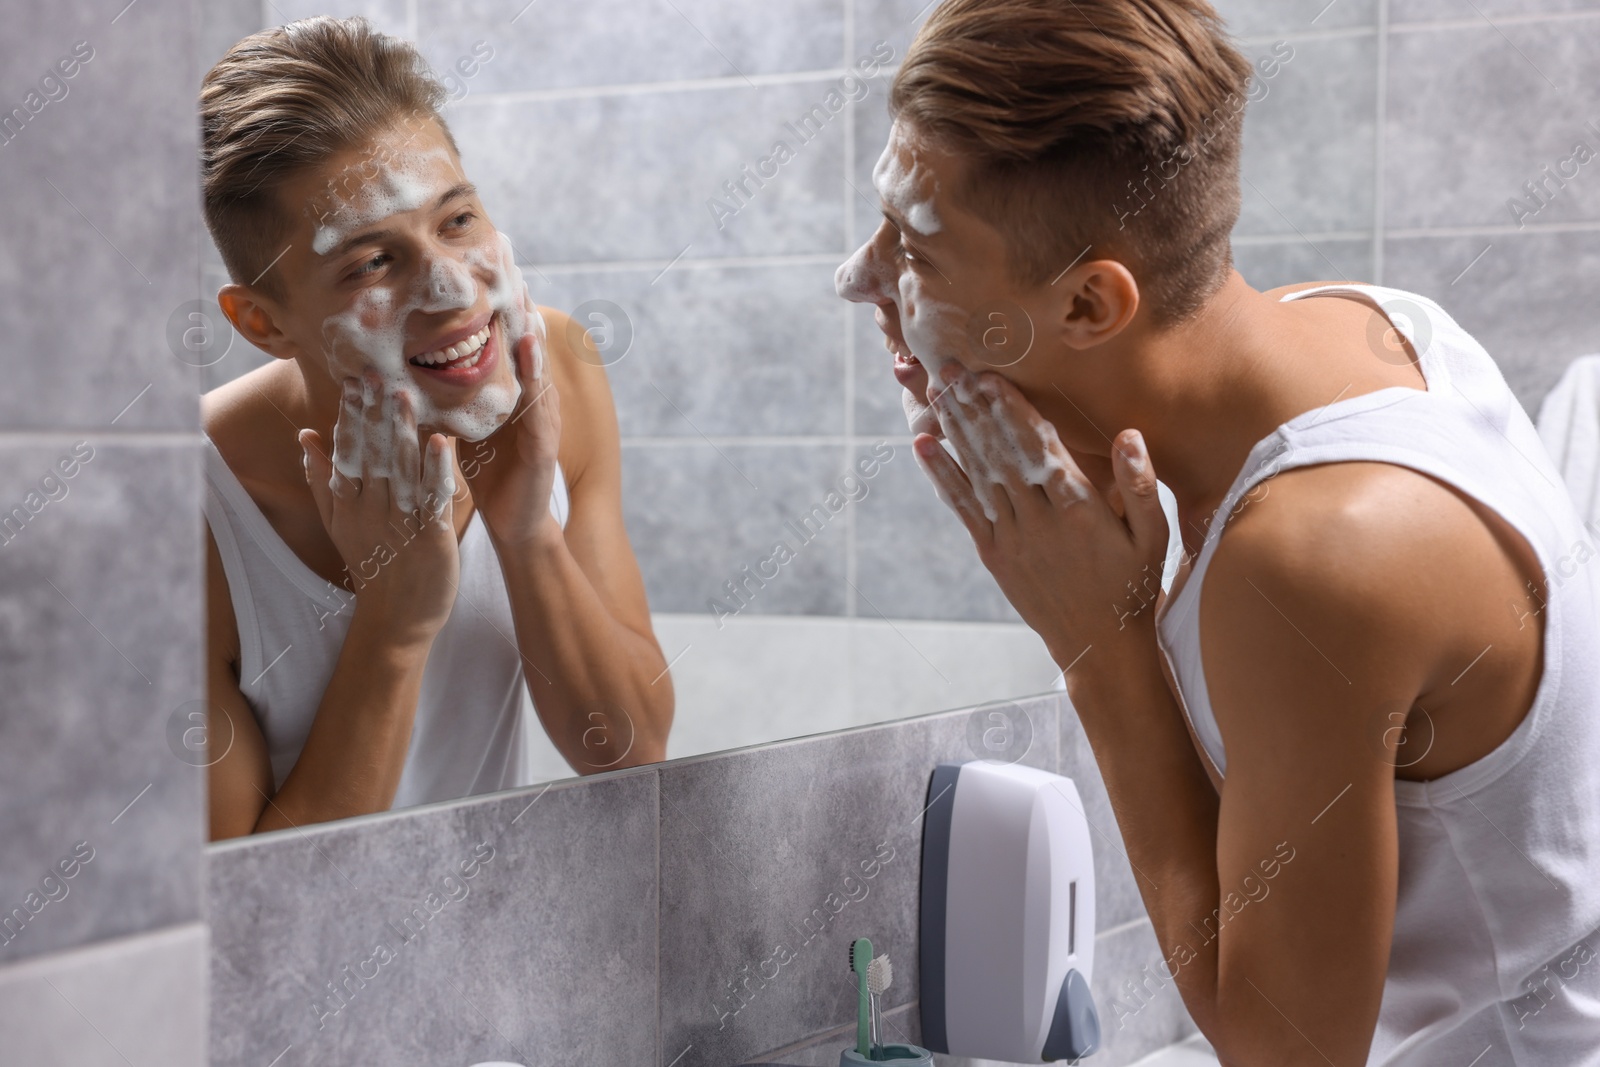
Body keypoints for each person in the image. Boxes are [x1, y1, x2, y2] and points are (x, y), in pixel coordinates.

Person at [836, 0, 1600, 1061]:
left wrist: (1101, 645)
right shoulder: (1362, 322)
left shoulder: (1312, 554)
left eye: (915, 247)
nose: (859, 276)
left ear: (1094, 305)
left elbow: (1284, 1051)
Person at [198, 17, 672, 839]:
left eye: (457, 221)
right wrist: (393, 621)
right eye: (371, 263)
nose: (454, 291)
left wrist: (526, 533)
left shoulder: (554, 366)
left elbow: (630, 755)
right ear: (263, 323)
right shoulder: (191, 509)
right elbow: (243, 918)